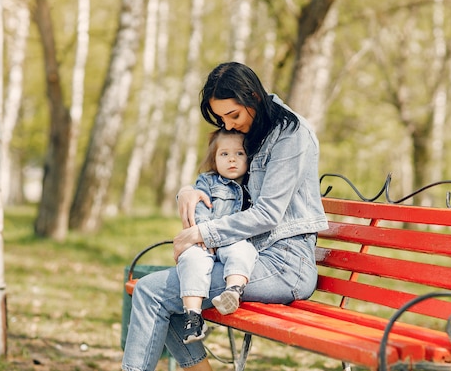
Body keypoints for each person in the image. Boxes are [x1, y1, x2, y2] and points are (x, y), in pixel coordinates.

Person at [122, 62, 328, 371]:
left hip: (285, 265)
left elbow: (268, 213)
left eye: (233, 115)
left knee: (153, 293)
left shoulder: (290, 135)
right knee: (160, 292)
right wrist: (188, 190)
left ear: (254, 97)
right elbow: (227, 181)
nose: (229, 126)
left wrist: (201, 234)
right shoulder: (256, 128)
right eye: (221, 118)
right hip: (249, 257)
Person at [178, 128, 258, 344]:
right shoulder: (207, 181)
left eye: (239, 153)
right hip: (205, 240)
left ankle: (233, 290)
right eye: (224, 154)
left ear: (249, 157)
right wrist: (204, 234)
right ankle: (193, 316)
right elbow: (199, 210)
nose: (232, 159)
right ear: (214, 159)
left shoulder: (254, 183)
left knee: (243, 250)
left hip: (233, 241)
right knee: (191, 259)